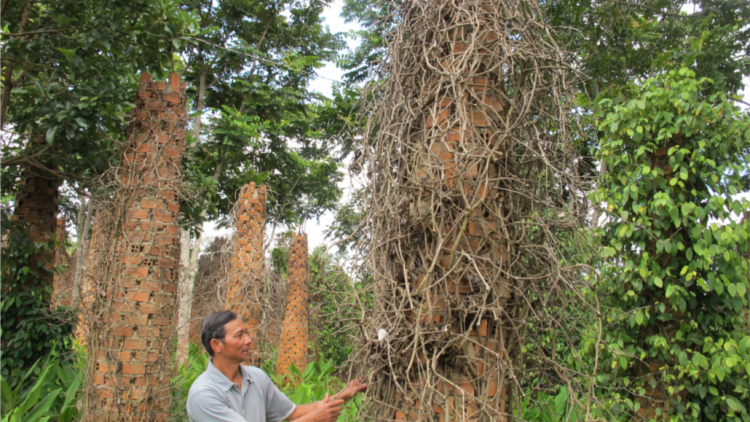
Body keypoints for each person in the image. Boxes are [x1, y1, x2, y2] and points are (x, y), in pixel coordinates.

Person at [187, 311, 367, 422]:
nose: (248, 340)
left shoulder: (256, 378)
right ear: (216, 345)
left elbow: (293, 413)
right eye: (239, 335)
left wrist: (342, 395)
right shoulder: (204, 394)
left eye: (247, 333)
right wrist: (314, 419)